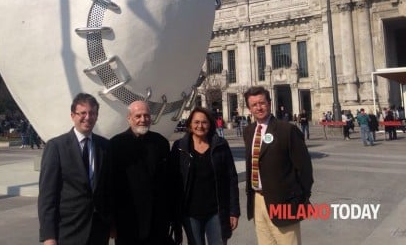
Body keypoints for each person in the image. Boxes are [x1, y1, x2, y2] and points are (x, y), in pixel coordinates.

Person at [38, 93, 113, 245]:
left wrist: (112, 223)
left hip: (98, 231)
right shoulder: (56, 147)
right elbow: (47, 196)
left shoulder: (104, 146)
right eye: (83, 113)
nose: (88, 117)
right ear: (72, 115)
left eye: (92, 113)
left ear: (97, 116)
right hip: (68, 231)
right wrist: (48, 236)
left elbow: (109, 190)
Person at [243, 86, 313, 245]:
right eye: (254, 105)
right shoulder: (249, 131)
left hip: (284, 201)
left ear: (269, 103)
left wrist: (300, 198)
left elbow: (304, 169)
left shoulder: (287, 130)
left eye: (262, 103)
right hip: (258, 200)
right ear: (249, 108)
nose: (259, 108)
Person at [169, 107, 240, 245]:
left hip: (216, 211)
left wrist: (234, 211)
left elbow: (231, 179)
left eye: (204, 122)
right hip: (190, 213)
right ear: (190, 124)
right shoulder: (179, 147)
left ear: (210, 124)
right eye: (196, 122)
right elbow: (173, 182)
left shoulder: (220, 145)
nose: (200, 126)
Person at [110, 100, 171, 245]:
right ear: (129, 118)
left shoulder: (161, 142)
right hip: (127, 220)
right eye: (138, 116)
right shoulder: (116, 144)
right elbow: (111, 185)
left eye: (146, 115)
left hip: (156, 220)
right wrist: (112, 222)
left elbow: (168, 182)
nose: (143, 120)